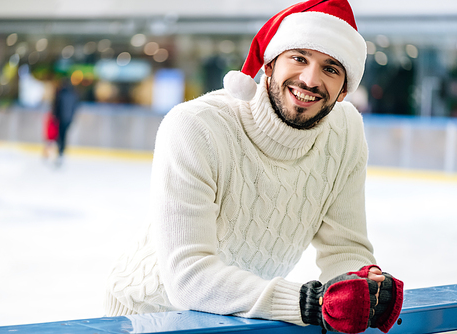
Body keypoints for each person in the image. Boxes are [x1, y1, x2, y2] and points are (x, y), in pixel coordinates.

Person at [105, 0, 403, 332]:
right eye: (299, 58)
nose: (309, 79)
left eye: (330, 68)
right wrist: (309, 302)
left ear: (344, 91)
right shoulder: (195, 127)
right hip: (147, 316)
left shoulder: (345, 132)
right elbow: (188, 275)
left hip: (237, 315)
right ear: (270, 65)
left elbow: (345, 248)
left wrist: (364, 286)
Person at [52, 77, 79, 166]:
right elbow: (75, 108)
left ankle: (60, 151)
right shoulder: (73, 95)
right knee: (63, 136)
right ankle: (61, 151)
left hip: (62, 119)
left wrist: (55, 116)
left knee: (60, 136)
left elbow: (56, 107)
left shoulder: (61, 94)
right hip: (68, 119)